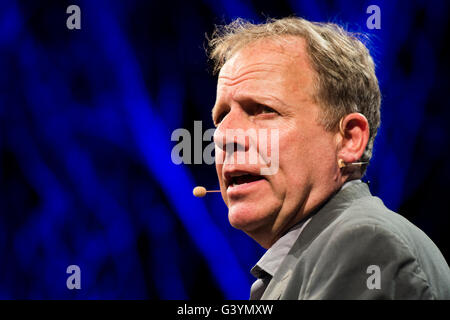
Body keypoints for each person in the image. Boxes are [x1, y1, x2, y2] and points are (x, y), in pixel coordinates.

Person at [207, 17, 450, 299]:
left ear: (349, 139)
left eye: (262, 109)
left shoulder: (364, 245)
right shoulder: (315, 256)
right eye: (221, 117)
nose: (224, 136)